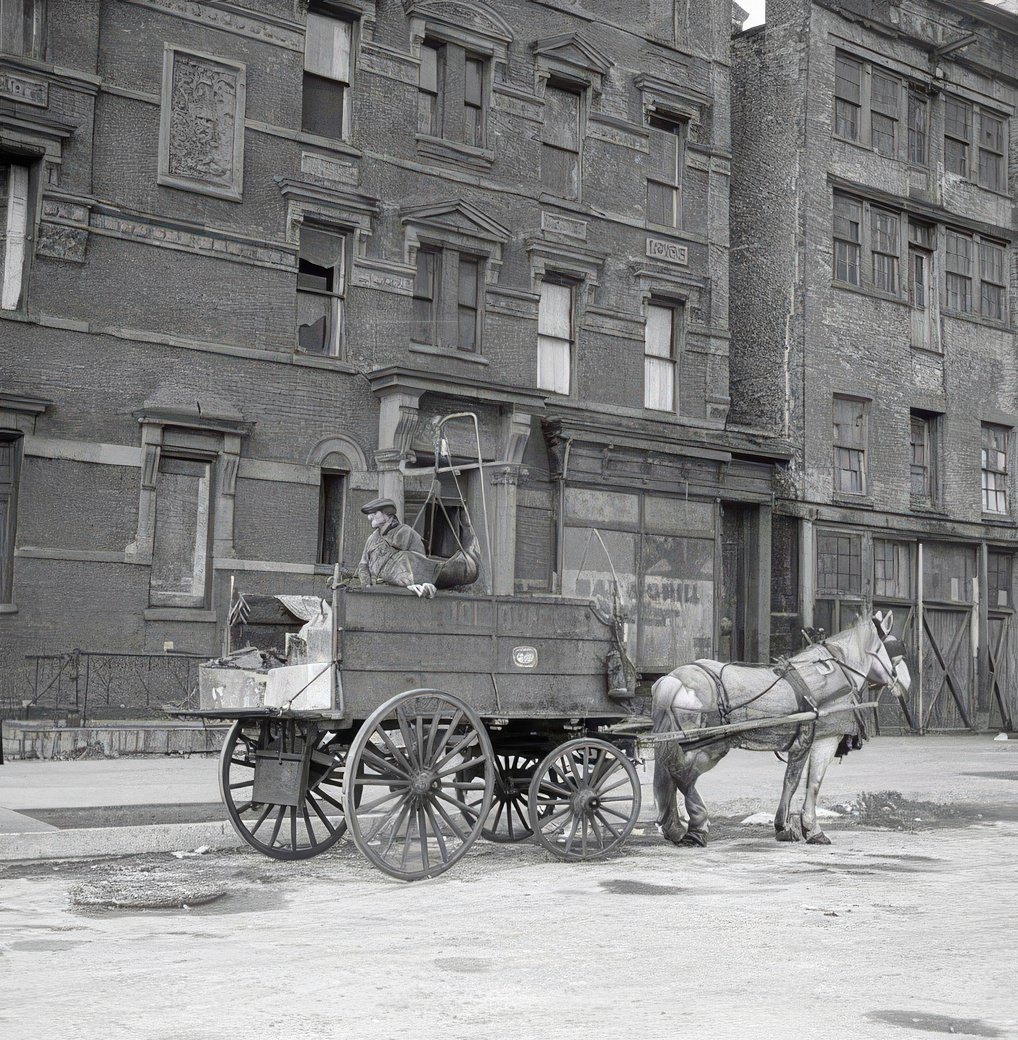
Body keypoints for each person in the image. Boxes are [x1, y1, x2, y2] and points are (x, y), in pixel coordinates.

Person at [354, 497, 437, 597]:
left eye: (375, 513)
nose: (370, 517)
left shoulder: (406, 532)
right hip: (375, 590)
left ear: (387, 514)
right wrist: (366, 586)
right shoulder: (372, 538)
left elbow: (419, 562)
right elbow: (363, 565)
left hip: (400, 592)